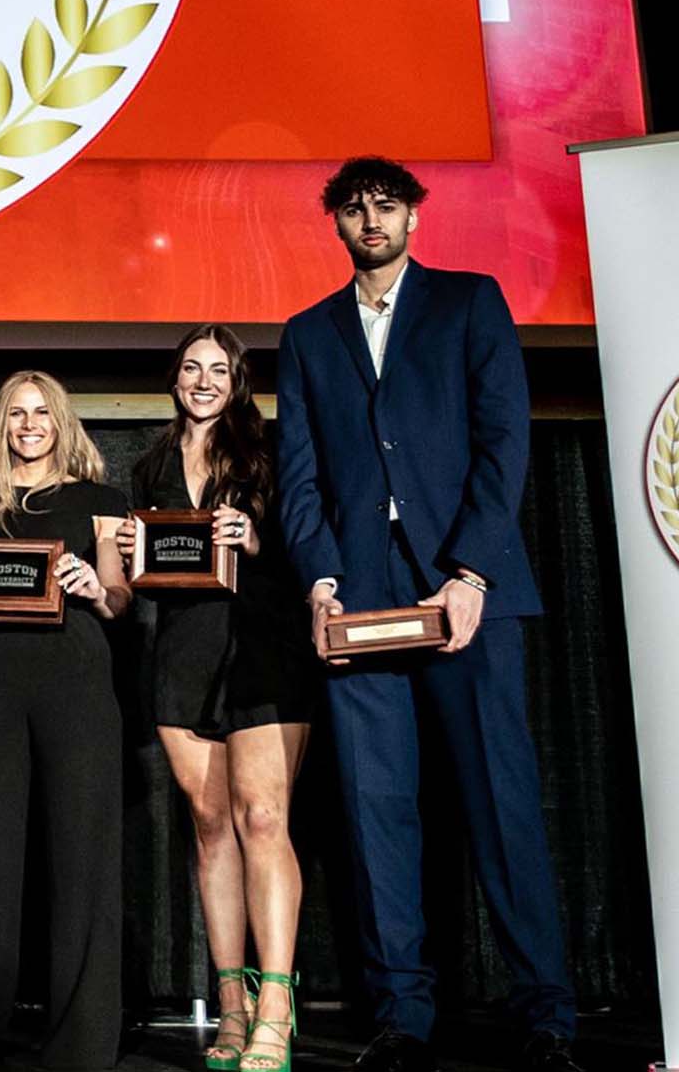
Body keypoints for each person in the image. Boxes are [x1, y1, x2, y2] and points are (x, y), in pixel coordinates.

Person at [276, 157, 580, 1072]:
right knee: (377, 816)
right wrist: (321, 579)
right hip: (362, 599)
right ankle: (402, 1015)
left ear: (413, 214)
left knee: (503, 806)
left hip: (464, 594)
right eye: (355, 208)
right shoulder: (306, 333)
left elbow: (504, 441)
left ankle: (548, 1015)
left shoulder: (469, 301)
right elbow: (301, 475)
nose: (372, 219)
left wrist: (473, 571)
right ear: (335, 223)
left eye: (387, 205)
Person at [116, 326, 317, 1072]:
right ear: (174, 379)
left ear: (239, 380)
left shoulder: (271, 450)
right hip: (183, 653)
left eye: (219, 368)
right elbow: (141, 570)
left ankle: (275, 1005)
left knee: (263, 817)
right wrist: (135, 562)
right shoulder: (151, 464)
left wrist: (257, 538)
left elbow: (310, 539)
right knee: (210, 826)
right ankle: (230, 1006)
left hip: (264, 646)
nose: (203, 380)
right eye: (191, 368)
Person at [0, 371, 133, 1069]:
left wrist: (94, 584)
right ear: (1, 424)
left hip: (75, 674)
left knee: (82, 854)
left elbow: (119, 597)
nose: (28, 424)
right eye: (16, 414)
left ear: (61, 421)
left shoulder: (103, 499)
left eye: (40, 412)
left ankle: (82, 1041)